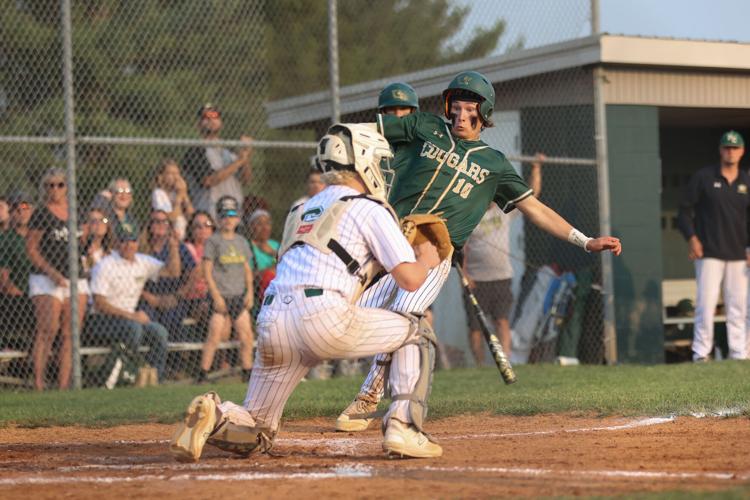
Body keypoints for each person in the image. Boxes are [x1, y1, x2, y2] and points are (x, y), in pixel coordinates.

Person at [336, 71, 621, 432]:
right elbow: (367, 133)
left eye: (468, 104)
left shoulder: (494, 163)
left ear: (483, 112)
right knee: (349, 312)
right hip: (390, 241)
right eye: (455, 102)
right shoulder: (424, 127)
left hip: (434, 253)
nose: (459, 110)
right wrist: (341, 138)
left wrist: (585, 240)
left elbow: (534, 209)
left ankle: (369, 397)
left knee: (405, 314)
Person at [170, 124, 443, 462]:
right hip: (323, 314)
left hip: (274, 319)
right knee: (417, 333)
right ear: (361, 160)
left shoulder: (300, 210)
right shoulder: (371, 207)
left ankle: (217, 414)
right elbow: (410, 281)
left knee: (257, 430)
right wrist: (428, 259)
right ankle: (405, 427)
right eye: (376, 159)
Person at [463, 154, 544, 364]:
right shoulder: (469, 215)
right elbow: (459, 250)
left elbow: (531, 197)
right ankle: (479, 366)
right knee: (475, 328)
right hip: (476, 280)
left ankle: (505, 361)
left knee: (502, 321)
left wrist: (536, 169)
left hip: (501, 277)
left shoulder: (503, 211)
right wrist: (464, 276)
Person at [677, 130, 749, 361]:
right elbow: (684, 212)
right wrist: (692, 238)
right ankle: (701, 353)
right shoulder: (704, 177)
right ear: (720, 150)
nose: (731, 151)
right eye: (727, 147)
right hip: (709, 252)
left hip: (739, 254)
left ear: (742, 151)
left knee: (738, 307)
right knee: (705, 305)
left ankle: (739, 353)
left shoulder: (746, 181)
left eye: (735, 147)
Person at [89, 222, 181, 382]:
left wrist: (173, 248)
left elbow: (172, 272)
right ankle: (129, 374)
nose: (129, 245)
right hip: (101, 319)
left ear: (138, 242)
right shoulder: (105, 265)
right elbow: (99, 303)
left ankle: (153, 378)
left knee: (159, 332)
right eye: (124, 240)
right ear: (117, 242)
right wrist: (131, 316)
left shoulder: (143, 261)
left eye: (132, 240)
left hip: (130, 319)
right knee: (134, 329)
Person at [26, 169, 90, 390]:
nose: (55, 189)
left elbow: (84, 243)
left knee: (70, 333)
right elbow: (32, 249)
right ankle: (39, 384)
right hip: (47, 279)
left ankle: (63, 387)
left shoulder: (77, 212)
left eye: (60, 185)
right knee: (48, 329)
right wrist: (52, 272)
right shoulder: (41, 213)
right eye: (50, 185)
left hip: (75, 278)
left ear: (67, 187)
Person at [197, 196, 255, 383]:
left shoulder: (242, 242)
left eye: (232, 214)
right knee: (215, 335)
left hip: (238, 295)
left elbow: (247, 270)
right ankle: (202, 374)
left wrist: (250, 292)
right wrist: (216, 296)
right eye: (223, 215)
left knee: (246, 336)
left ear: (238, 218)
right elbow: (206, 271)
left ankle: (248, 372)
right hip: (221, 296)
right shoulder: (213, 241)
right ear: (217, 218)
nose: (228, 219)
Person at [182, 104, 253, 221]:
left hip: (234, 214)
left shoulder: (229, 152)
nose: (211, 119)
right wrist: (240, 161)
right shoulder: (196, 151)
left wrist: (245, 156)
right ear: (198, 125)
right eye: (205, 117)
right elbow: (208, 180)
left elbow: (246, 180)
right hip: (209, 216)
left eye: (215, 116)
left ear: (221, 123)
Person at [138, 210, 196, 341]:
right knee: (148, 317)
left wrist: (178, 295)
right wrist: (150, 298)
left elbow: (193, 273)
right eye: (156, 221)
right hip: (147, 298)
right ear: (149, 225)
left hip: (173, 297)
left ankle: (174, 358)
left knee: (172, 317)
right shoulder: (141, 249)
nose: (161, 224)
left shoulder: (178, 247)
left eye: (165, 221)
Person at [0, 192, 35, 351]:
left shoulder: (40, 238)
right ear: (11, 213)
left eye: (25, 207)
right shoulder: (6, 240)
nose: (21, 212)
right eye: (16, 208)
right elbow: (4, 281)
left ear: (32, 210)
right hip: (18, 301)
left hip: (41, 295)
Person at [182, 211, 214, 329]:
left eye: (207, 225)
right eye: (198, 226)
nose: (203, 229)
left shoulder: (219, 247)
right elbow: (194, 275)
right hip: (194, 299)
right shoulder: (187, 248)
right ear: (191, 230)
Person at [151, 158, 195, 241]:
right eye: (170, 173)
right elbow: (171, 218)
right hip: (168, 237)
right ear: (161, 176)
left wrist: (184, 194)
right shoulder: (158, 193)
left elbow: (192, 216)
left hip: (184, 237)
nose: (175, 177)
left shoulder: (178, 192)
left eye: (177, 173)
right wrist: (179, 196)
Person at [247, 208, 279, 309]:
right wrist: (269, 270)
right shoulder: (247, 247)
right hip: (260, 290)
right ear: (251, 227)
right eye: (259, 224)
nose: (264, 227)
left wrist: (272, 252)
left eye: (267, 223)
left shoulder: (275, 245)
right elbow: (247, 275)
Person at [82, 208, 113, 275]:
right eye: (94, 221)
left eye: (103, 220)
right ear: (87, 226)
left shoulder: (112, 251)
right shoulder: (82, 253)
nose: (99, 223)